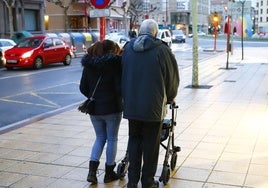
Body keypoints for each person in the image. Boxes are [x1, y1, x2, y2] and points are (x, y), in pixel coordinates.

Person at [121, 19, 180, 188]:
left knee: (134, 142)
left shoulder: (127, 49)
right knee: (151, 146)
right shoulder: (162, 50)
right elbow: (172, 78)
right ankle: (147, 181)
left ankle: (132, 182)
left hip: (132, 107)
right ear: (155, 33)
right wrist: (170, 96)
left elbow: (122, 75)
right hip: (153, 108)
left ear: (140, 32)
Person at [79, 40, 122, 184]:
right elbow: (119, 88)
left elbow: (83, 87)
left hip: (94, 108)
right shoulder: (115, 65)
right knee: (112, 139)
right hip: (112, 108)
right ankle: (109, 172)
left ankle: (92, 172)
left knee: (99, 138)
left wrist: (93, 97)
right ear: (111, 51)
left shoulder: (89, 65)